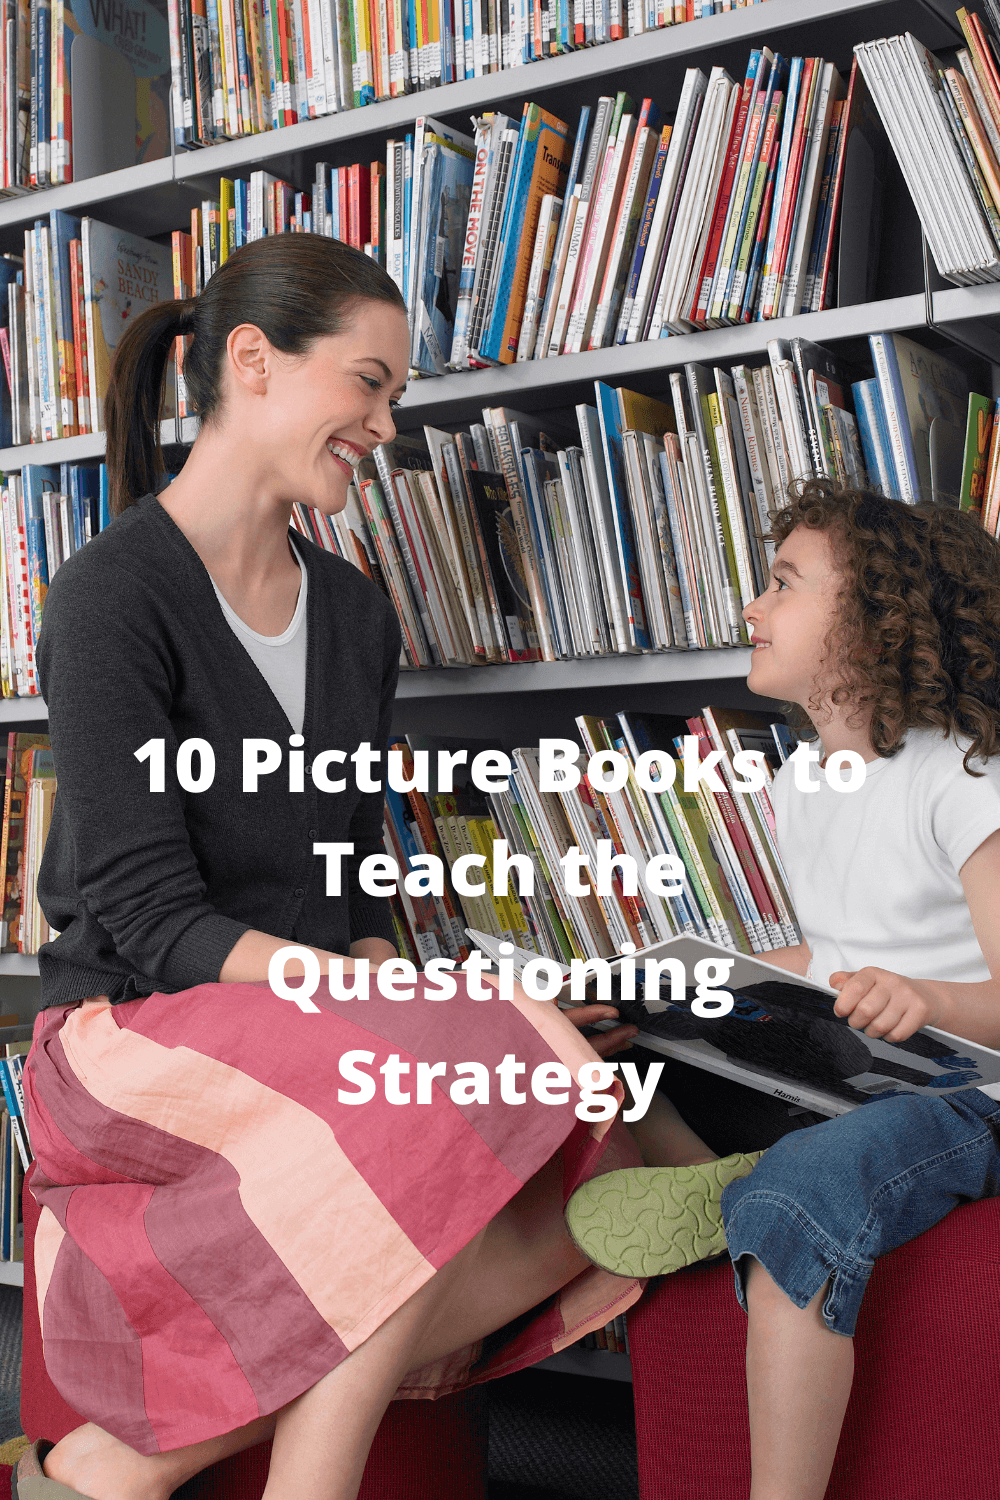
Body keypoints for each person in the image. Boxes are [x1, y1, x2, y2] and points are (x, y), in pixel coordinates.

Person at [16, 233, 653, 1500]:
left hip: (284, 1010)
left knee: (609, 1168)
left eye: (397, 395)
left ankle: (129, 1468)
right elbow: (149, 921)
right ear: (253, 362)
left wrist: (404, 975)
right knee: (455, 1072)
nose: (385, 423)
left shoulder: (357, 613)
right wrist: (407, 1009)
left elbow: (350, 879)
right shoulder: (109, 595)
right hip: (132, 1030)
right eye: (369, 383)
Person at [564, 481, 1000, 1500]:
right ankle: (723, 1184)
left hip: (966, 1094)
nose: (751, 609)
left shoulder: (962, 777)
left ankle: (765, 1203)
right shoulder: (802, 778)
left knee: (804, 1194)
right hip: (858, 1070)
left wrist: (925, 1000)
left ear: (878, 619)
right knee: (597, 1067)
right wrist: (684, 988)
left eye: (781, 584)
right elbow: (829, 951)